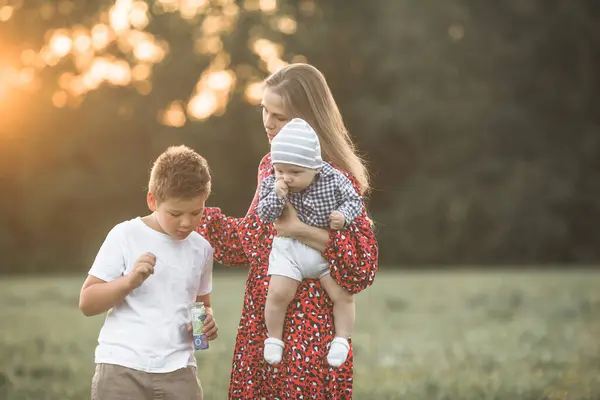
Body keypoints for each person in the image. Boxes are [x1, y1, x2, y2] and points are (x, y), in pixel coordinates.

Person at [197, 63, 378, 399]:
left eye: (278, 116)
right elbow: (249, 241)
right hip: (265, 323)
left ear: (307, 119)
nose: (268, 122)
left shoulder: (337, 176)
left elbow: (362, 266)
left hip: (311, 331)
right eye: (265, 110)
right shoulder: (270, 166)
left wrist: (300, 230)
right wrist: (194, 216)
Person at [79, 145, 219, 400]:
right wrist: (129, 282)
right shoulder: (125, 235)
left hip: (180, 372)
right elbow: (87, 303)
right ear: (153, 200)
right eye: (175, 213)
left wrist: (207, 321)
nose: (187, 222)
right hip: (121, 369)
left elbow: (202, 304)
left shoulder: (202, 249)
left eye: (196, 212)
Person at [257, 118, 363, 368]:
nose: (287, 178)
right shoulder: (274, 184)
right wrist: (277, 195)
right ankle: (273, 338)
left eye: (295, 172)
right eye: (280, 170)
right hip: (289, 250)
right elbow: (265, 215)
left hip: (322, 251)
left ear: (315, 167)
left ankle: (341, 339)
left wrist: (343, 216)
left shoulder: (334, 179)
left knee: (342, 294)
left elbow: (355, 202)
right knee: (278, 292)